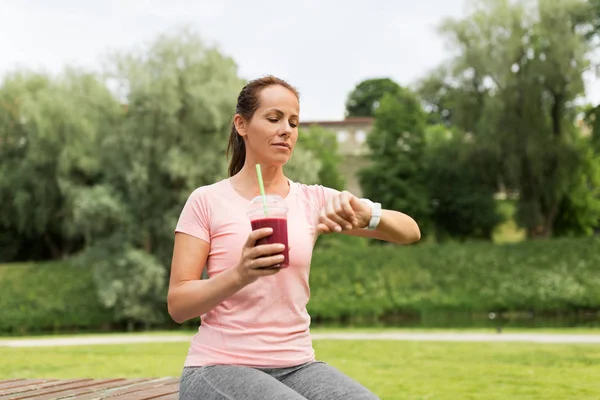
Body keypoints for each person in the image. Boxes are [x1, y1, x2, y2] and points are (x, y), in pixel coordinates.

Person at [168, 75, 421, 400]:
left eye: (294, 122)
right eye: (274, 119)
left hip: (298, 365)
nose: (286, 129)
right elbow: (178, 304)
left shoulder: (312, 201)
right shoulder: (206, 201)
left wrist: (368, 214)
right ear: (241, 124)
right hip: (218, 366)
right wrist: (240, 274)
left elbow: (409, 231)